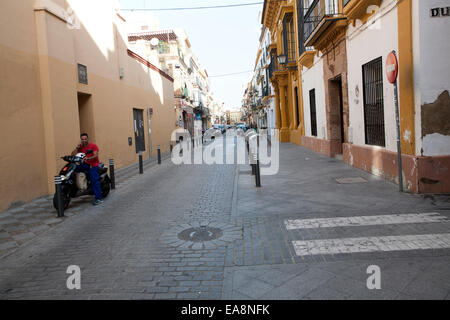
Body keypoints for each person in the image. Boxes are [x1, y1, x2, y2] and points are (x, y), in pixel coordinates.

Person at [71, 133, 103, 205]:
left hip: (93, 164)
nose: (84, 140)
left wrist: (88, 158)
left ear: (88, 139)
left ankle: (99, 198)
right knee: (73, 169)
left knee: (94, 180)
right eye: (82, 139)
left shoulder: (93, 145)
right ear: (81, 140)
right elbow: (72, 155)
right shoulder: (80, 147)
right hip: (84, 164)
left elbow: (95, 155)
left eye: (85, 139)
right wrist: (77, 147)